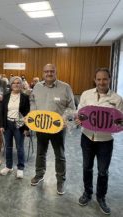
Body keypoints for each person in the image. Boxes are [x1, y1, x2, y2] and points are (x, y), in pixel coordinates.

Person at [75, 68, 123, 215]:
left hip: (105, 141)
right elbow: (80, 112)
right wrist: (78, 119)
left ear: (109, 80)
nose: (102, 82)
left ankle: (101, 197)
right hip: (87, 138)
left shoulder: (117, 99)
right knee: (87, 168)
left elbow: (120, 121)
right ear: (95, 80)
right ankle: (87, 193)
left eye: (105, 79)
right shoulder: (86, 94)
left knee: (103, 171)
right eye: (99, 79)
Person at [29, 63, 75, 195]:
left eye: (52, 71)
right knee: (40, 153)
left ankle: (60, 180)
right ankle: (39, 174)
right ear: (43, 73)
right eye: (46, 71)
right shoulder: (37, 87)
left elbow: (72, 108)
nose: (49, 73)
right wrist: (33, 113)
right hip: (41, 127)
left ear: (56, 72)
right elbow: (32, 100)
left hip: (58, 129)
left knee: (59, 155)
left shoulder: (65, 87)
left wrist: (63, 119)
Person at [0, 76, 30, 178]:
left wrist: (26, 128)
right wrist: (2, 125)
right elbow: (2, 111)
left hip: (19, 125)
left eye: (18, 83)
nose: (16, 85)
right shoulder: (6, 96)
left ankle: (20, 168)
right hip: (8, 124)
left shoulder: (25, 97)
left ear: (21, 85)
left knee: (20, 147)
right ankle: (8, 166)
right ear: (11, 85)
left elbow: (27, 114)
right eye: (14, 83)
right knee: (8, 147)